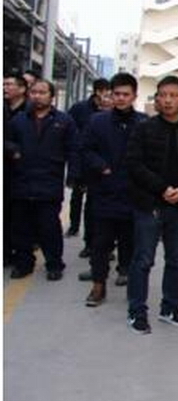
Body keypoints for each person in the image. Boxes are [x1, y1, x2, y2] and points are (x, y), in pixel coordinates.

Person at [125, 75, 178, 335]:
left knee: (176, 259)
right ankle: (137, 311)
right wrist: (162, 188)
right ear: (157, 99)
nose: (168, 100)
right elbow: (134, 164)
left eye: (173, 95)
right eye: (163, 95)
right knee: (143, 260)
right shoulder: (144, 129)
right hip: (149, 205)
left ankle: (170, 308)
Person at [80, 73, 147, 305]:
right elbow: (85, 149)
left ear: (134, 96)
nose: (120, 98)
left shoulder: (145, 123)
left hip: (133, 194)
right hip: (104, 192)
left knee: (130, 241)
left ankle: (126, 272)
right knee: (100, 244)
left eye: (125, 94)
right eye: (116, 94)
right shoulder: (97, 121)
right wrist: (101, 166)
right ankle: (98, 286)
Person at [6, 79, 80, 280]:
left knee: (49, 227)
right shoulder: (18, 120)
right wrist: (13, 149)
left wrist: (73, 175)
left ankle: (54, 264)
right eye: (34, 92)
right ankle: (24, 264)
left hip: (49, 182)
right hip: (21, 181)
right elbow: (6, 141)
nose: (37, 96)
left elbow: (74, 150)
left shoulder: (64, 121)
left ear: (51, 96)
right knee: (21, 227)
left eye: (42, 92)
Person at [67, 78, 112, 263]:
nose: (107, 97)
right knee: (83, 203)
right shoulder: (80, 109)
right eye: (105, 93)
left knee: (103, 209)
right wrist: (74, 171)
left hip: (108, 169)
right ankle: (86, 240)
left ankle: (106, 247)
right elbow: (74, 140)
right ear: (97, 92)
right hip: (86, 165)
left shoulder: (116, 113)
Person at [3, 73, 29, 267]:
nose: (5, 87)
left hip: (22, 171)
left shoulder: (31, 112)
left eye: (9, 84)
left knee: (19, 216)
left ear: (22, 89)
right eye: (3, 84)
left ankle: (19, 253)